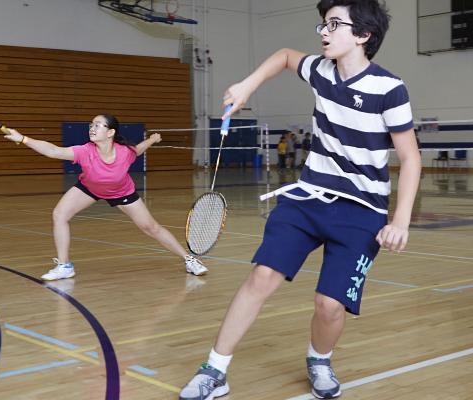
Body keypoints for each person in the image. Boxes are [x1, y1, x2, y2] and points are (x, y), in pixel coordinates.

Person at [179, 1, 421, 399]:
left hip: (361, 212)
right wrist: (246, 86)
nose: (324, 32)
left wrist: (401, 221)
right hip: (307, 199)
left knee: (329, 305)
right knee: (261, 276)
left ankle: (319, 359)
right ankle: (214, 370)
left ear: (363, 35)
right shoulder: (321, 71)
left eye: (335, 25)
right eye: (323, 24)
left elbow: (411, 157)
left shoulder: (388, 89)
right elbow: (286, 57)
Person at [2, 114, 208, 280]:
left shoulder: (125, 152)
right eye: (91, 125)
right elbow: (54, 151)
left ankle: (189, 260)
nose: (92, 128)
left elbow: (138, 150)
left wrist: (152, 140)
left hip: (122, 192)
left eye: (98, 125)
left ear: (110, 132)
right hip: (89, 188)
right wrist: (23, 138)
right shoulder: (84, 151)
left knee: (151, 228)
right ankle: (65, 266)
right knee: (59, 214)